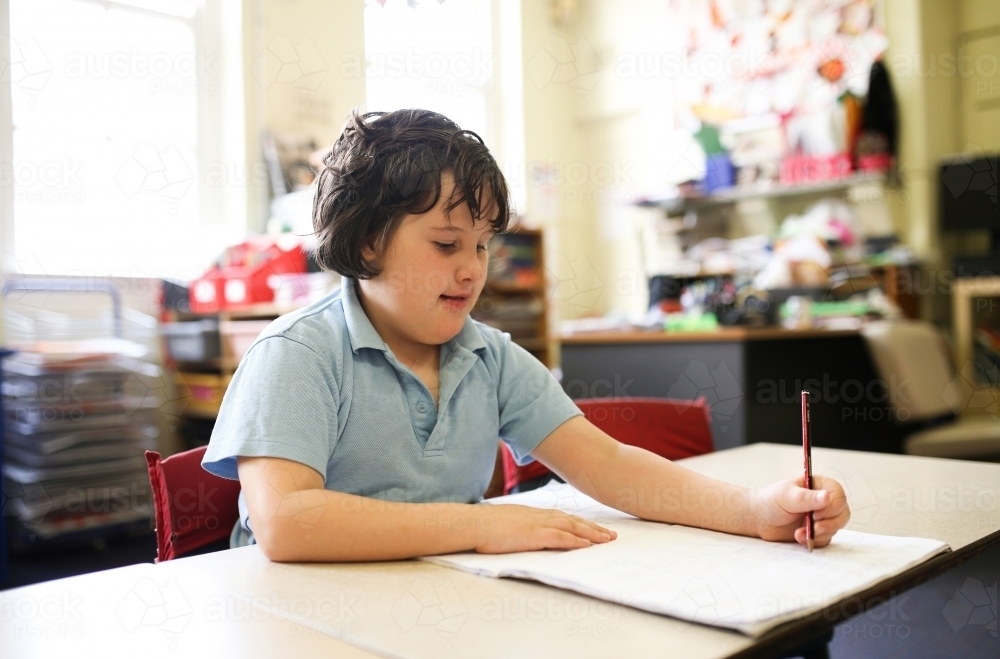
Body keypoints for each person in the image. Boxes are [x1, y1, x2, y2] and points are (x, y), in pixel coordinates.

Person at [202, 108, 851, 562]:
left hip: (426, 603)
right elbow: (287, 522)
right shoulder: (298, 354)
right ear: (369, 239)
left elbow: (611, 465)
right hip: (295, 620)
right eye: (448, 243)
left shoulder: (488, 356)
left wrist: (756, 507)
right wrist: (480, 525)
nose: (472, 268)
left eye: (483, 245)